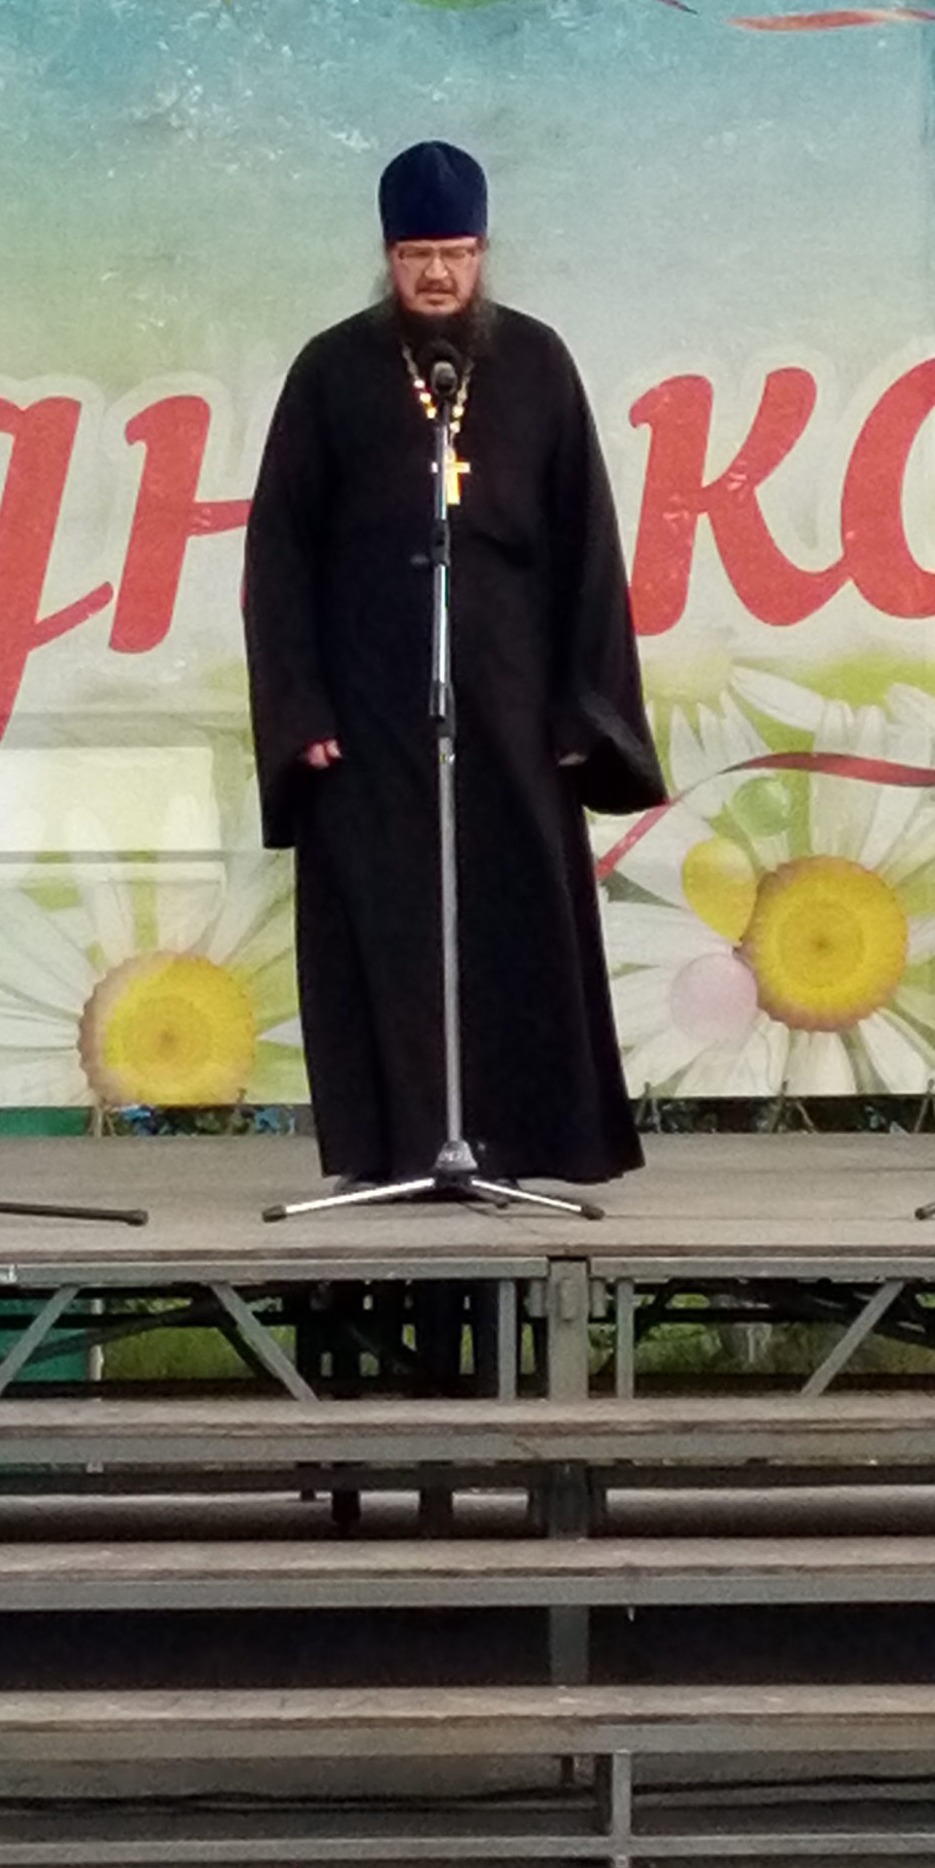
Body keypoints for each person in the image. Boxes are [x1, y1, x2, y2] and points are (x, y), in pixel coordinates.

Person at [242, 140, 665, 1189]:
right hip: (369, 710)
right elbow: (279, 555)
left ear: (484, 254)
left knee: (516, 923)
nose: (437, 275)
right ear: (388, 256)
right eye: (417, 255)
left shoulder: (537, 363)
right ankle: (396, 1148)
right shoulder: (331, 371)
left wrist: (584, 711)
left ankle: (523, 1142)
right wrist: (300, 710)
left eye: (457, 254)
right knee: (387, 929)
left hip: (515, 705)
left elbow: (588, 545)